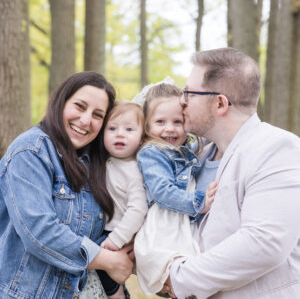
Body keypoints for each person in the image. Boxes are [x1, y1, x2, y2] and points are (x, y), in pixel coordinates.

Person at [162, 47, 300, 299]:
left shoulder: (277, 148)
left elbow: (264, 243)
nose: (181, 100)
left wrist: (178, 278)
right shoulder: (197, 157)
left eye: (189, 93)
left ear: (220, 103)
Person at [0, 71, 133, 299]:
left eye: (97, 115)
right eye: (80, 106)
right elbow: (40, 232)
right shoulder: (31, 151)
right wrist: (108, 261)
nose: (85, 121)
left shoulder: (94, 163)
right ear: (60, 102)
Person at [134, 83, 217, 295]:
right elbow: (162, 191)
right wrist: (198, 203)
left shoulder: (184, 149)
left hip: (180, 221)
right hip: (164, 224)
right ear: (147, 126)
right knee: (175, 270)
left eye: (177, 122)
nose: (169, 128)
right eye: (160, 122)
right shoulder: (152, 152)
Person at [81, 101, 147, 299]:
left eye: (129, 129)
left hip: (117, 231)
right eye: (112, 128)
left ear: (141, 138)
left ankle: (116, 295)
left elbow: (138, 209)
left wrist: (116, 239)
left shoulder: (134, 170)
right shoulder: (103, 160)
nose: (120, 134)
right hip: (102, 226)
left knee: (100, 261)